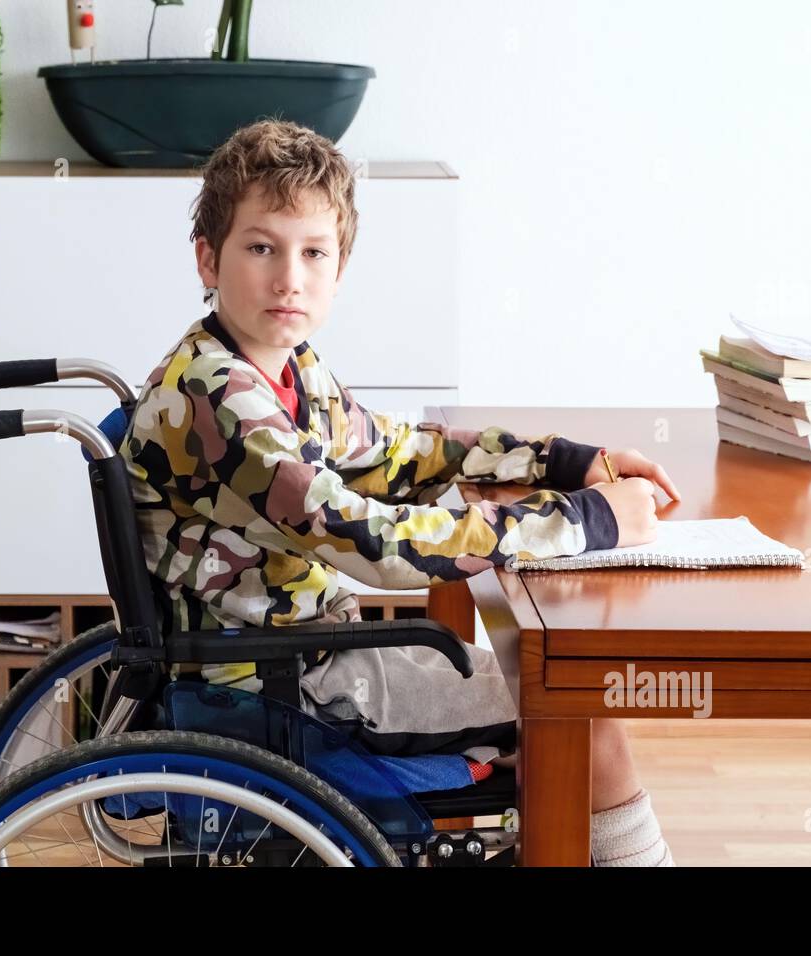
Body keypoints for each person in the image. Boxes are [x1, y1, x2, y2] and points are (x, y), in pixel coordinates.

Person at [122, 119, 679, 865]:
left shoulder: (283, 367)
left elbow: (399, 454)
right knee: (580, 713)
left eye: (314, 252)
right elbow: (371, 546)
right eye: (262, 247)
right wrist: (584, 523)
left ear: (339, 269)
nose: (290, 276)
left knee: (548, 709)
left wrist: (566, 462)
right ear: (207, 259)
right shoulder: (223, 399)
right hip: (281, 690)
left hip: (309, 657)